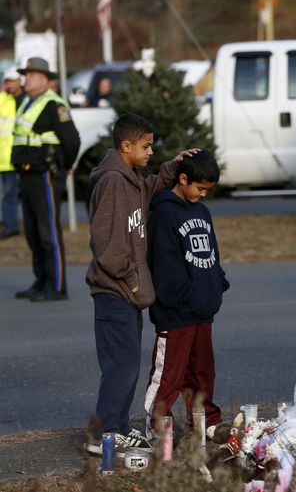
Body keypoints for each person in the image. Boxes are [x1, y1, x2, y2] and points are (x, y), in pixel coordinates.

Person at [84, 112, 198, 457]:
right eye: (146, 147)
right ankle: (104, 434)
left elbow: (149, 189)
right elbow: (106, 245)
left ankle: (116, 427)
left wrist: (172, 166)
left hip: (125, 293)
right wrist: (133, 281)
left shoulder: (130, 178)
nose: (150, 152)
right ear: (126, 145)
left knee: (127, 364)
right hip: (114, 290)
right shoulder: (112, 182)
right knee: (120, 365)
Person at [143, 149, 229, 440]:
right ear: (182, 179)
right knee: (170, 373)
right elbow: (164, 265)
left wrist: (216, 284)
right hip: (175, 312)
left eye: (207, 190)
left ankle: (206, 421)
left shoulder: (202, 211)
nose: (203, 194)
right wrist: (185, 296)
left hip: (202, 310)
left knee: (202, 372)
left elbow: (212, 254)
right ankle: (158, 424)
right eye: (199, 188)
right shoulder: (163, 213)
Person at [12, 57, 80, 301]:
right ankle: (41, 280)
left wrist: (66, 165)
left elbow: (72, 140)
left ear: (43, 79)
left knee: (48, 232)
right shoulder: (27, 102)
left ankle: (57, 286)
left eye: (30, 75)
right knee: (32, 233)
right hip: (28, 175)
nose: (26, 79)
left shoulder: (54, 105)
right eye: (25, 75)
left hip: (46, 176)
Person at [0, 67, 24, 239]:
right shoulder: (3, 99)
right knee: (8, 195)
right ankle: (10, 225)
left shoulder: (24, 101)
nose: (9, 84)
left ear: (19, 81)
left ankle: (11, 226)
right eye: (6, 81)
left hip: (14, 157)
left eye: (11, 81)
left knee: (11, 194)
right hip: (3, 157)